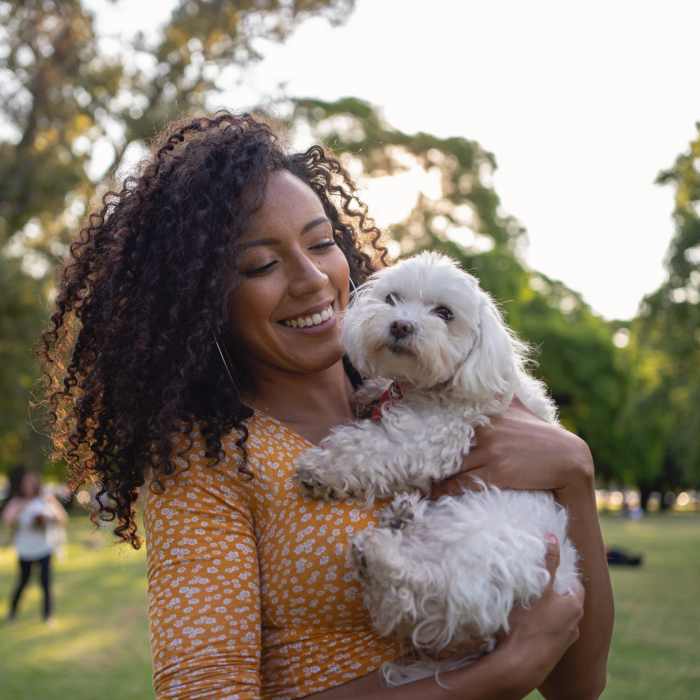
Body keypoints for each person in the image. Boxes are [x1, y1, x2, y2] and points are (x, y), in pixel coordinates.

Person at [41, 112, 614, 698]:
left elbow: (578, 687)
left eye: (321, 243)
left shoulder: (438, 402)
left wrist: (573, 473)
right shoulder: (207, 465)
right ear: (202, 304)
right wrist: (500, 674)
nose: (312, 278)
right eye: (261, 264)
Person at [2, 468, 68, 623]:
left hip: (44, 547)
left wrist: (48, 517)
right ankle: (12, 612)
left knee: (45, 584)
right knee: (23, 582)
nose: (29, 486)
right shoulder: (17, 502)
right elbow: (7, 520)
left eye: (31, 483)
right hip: (25, 549)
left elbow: (63, 519)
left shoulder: (46, 499)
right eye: (26, 483)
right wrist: (20, 509)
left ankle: (48, 616)